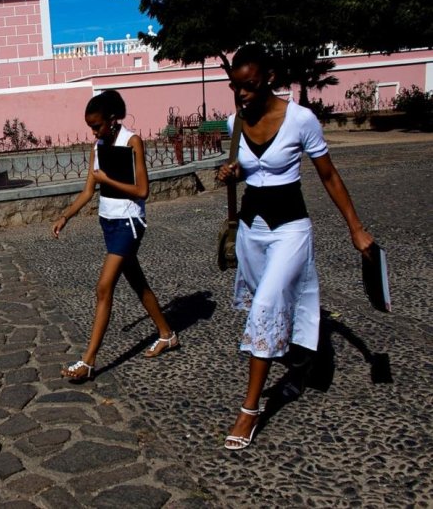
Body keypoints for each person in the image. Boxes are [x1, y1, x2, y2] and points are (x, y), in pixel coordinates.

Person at [217, 44, 374, 450]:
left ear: (269, 77)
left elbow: (329, 176)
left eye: (249, 85)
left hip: (291, 228)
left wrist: (355, 228)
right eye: (236, 87)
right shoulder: (233, 121)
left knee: (268, 306)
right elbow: (242, 170)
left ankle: (249, 411)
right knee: (267, 306)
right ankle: (303, 361)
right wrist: (231, 172)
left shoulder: (301, 119)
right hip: (252, 230)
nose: (242, 94)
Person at [52, 90, 178, 381]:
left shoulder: (132, 141)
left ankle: (88, 361)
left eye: (96, 126)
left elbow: (142, 190)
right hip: (108, 223)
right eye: (90, 127)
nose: (93, 131)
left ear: (112, 119)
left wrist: (108, 179)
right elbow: (88, 191)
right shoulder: (97, 146)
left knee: (103, 287)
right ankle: (167, 333)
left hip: (129, 223)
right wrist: (65, 216)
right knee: (137, 282)